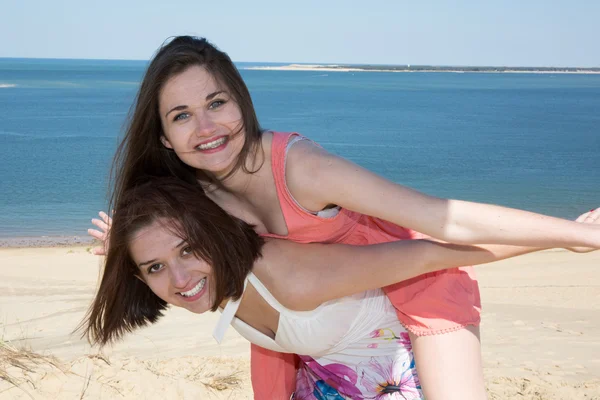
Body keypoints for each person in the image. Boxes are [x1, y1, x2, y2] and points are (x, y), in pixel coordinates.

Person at [89, 35, 600, 399]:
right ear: (163, 138)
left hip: (419, 277)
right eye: (181, 116)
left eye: (216, 103)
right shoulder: (193, 194)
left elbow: (438, 221)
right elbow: (158, 238)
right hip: (323, 313)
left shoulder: (302, 170)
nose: (205, 127)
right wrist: (125, 244)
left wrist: (573, 235)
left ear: (241, 103)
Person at [84, 178, 592, 399]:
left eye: (188, 250)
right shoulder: (207, 280)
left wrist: (565, 238)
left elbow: (437, 250)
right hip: (331, 382)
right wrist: (134, 246)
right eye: (154, 269)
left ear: (211, 236)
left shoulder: (295, 275)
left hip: (400, 373)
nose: (178, 279)